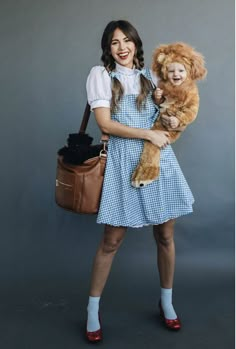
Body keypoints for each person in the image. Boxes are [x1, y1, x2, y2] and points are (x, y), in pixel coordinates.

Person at [85, 20, 194, 343]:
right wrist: (147, 132)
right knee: (111, 241)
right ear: (108, 48)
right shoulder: (101, 76)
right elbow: (105, 123)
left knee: (165, 235)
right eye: (115, 42)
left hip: (158, 162)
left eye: (127, 41)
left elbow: (165, 118)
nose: (122, 47)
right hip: (123, 163)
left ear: (136, 43)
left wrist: (170, 118)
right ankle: (92, 311)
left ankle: (166, 303)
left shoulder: (150, 76)